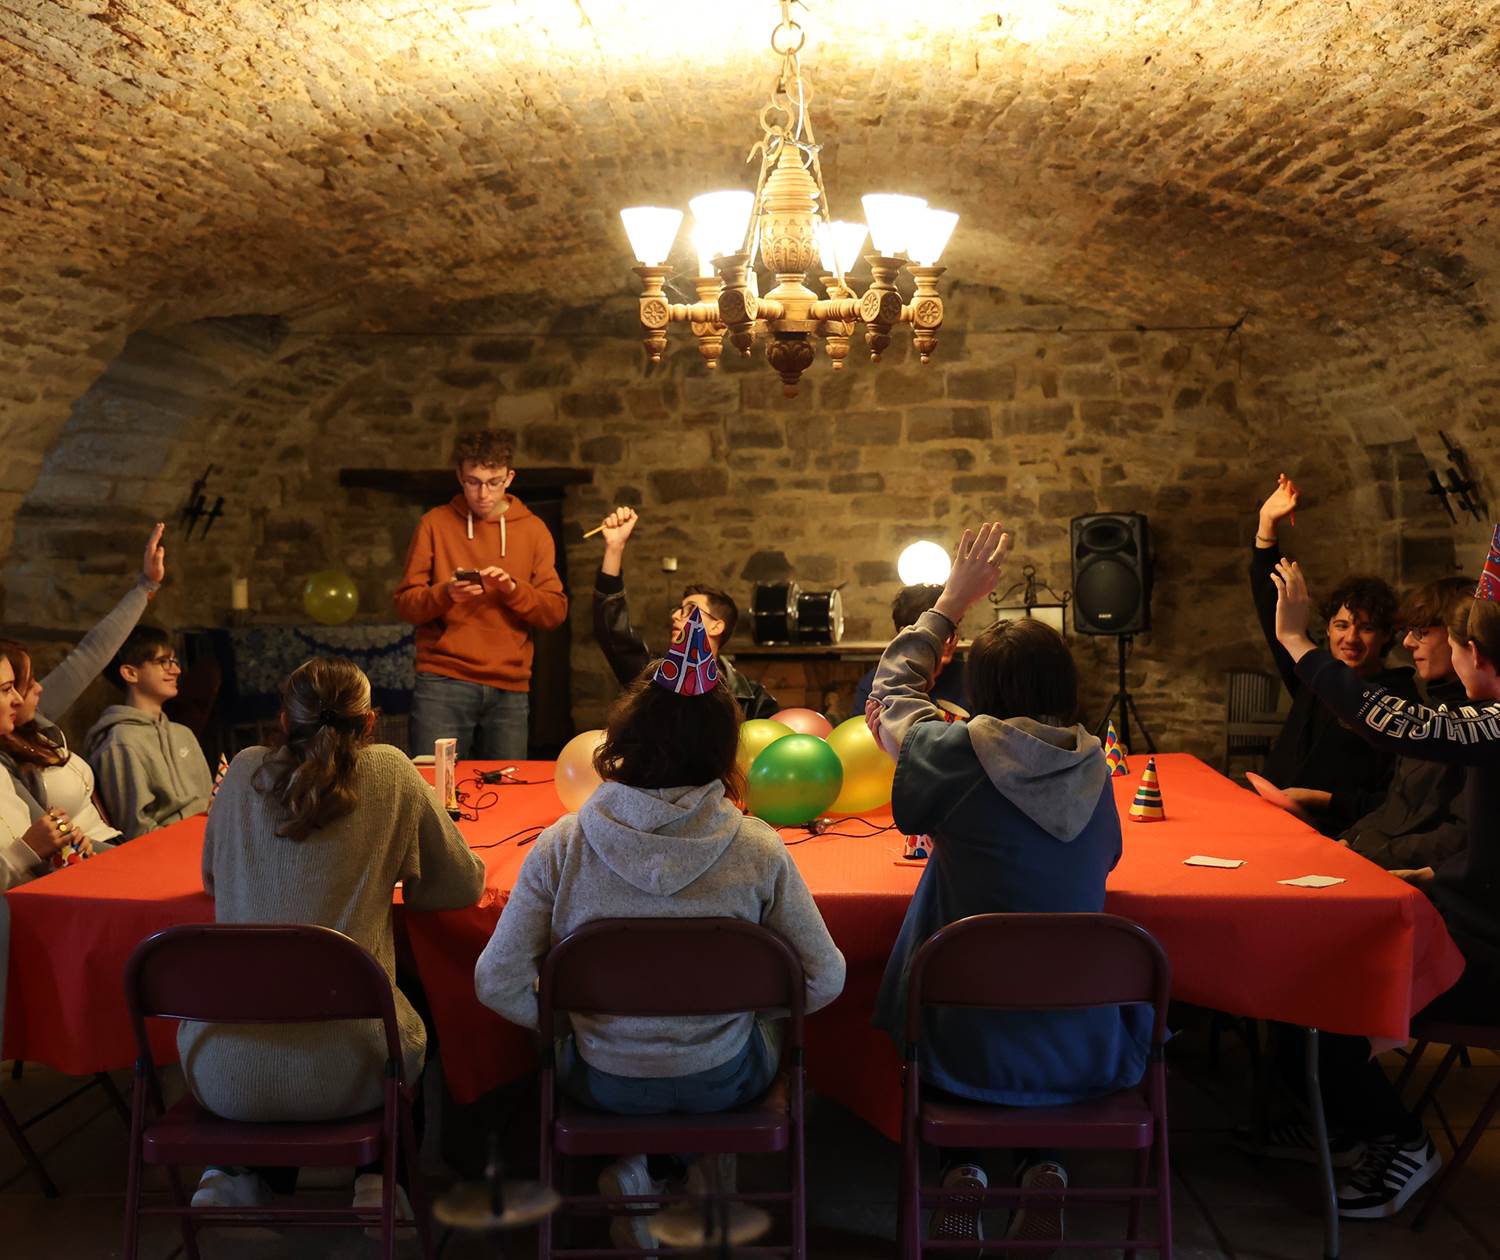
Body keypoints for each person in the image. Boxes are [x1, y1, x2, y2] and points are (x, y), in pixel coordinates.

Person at [475, 608, 845, 1252]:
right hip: (723, 1076)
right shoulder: (758, 847)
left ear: (625, 736)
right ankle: (695, 1168)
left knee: (612, 1066)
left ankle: (647, 1169)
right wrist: (742, 1015)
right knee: (759, 1046)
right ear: (724, 747)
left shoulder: (563, 844)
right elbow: (826, 978)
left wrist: (569, 1025)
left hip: (603, 1079)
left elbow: (495, 980)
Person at [866, 522, 1152, 1254]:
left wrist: (950, 604)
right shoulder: (1097, 769)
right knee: (1035, 997)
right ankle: (1044, 1165)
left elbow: (889, 692)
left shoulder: (957, 752)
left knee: (959, 990)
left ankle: (962, 1168)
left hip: (960, 1029)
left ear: (980, 690)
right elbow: (1109, 859)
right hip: (1082, 1038)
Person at [180, 657, 486, 1218]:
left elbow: (211, 880)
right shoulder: (391, 771)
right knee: (411, 1003)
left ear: (283, 719)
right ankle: (381, 1177)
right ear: (369, 722)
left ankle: (239, 1169)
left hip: (220, 1071)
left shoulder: (244, 770)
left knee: (280, 998)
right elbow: (461, 884)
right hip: (354, 1071)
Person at [1266, 526, 1500, 1218]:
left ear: (1474, 654)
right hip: (1470, 924)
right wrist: (1424, 878)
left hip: (1487, 952)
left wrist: (1298, 642)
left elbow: (1390, 720)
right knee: (1313, 959)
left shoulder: (1492, 723)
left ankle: (1399, 1142)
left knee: (1326, 978)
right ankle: (1347, 1122)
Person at [1250, 474, 1417, 833]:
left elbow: (1395, 802)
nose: (1351, 638)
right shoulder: (1316, 677)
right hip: (1276, 823)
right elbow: (1270, 607)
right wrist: (1266, 529)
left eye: (1366, 627)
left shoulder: (1399, 700)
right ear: (1327, 629)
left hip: (1337, 836)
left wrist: (1320, 800)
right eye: (1342, 625)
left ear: (1387, 635)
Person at [394, 429, 568, 760]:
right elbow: (405, 604)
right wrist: (447, 593)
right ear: (459, 476)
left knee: (508, 785)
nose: (483, 493)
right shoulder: (434, 524)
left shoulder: (533, 530)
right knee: (433, 782)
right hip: (443, 681)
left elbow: (555, 612)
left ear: (509, 478)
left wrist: (512, 590)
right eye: (473, 482)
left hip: (510, 686)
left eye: (494, 482)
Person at [0, 523, 167, 847]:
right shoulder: (7, 763)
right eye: (21, 685)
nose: (37, 690)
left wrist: (147, 585)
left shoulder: (35, 719)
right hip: (94, 858)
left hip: (112, 845)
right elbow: (49, 848)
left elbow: (90, 655)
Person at [591, 505, 779, 718]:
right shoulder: (652, 678)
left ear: (716, 626)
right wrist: (614, 547)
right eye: (678, 610)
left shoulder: (752, 699)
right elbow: (614, 631)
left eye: (689, 610)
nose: (675, 616)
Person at [83, 625, 213, 840]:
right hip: (169, 848)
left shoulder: (183, 734)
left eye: (175, 661)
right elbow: (136, 830)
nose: (176, 670)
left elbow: (210, 803)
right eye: (163, 662)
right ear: (130, 673)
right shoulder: (121, 741)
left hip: (209, 840)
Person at [0, 652, 87, 890]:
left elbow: (28, 867)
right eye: (6, 689)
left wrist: (64, 852)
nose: (18, 699)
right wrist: (26, 851)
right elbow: (20, 857)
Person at [851, 583, 966, 717]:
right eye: (934, 634)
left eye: (951, 629)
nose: (948, 639)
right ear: (904, 634)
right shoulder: (877, 684)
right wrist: (929, 672)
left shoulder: (971, 679)